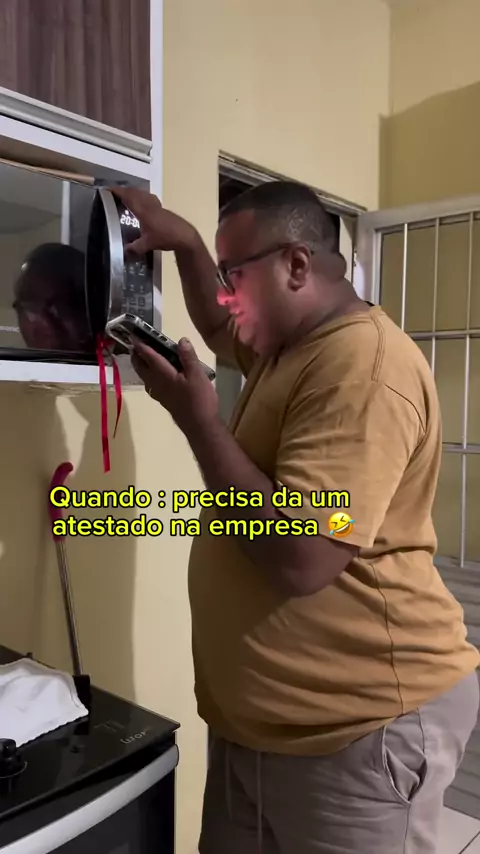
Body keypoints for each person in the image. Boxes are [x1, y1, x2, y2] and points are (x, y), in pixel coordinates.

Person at [112, 181, 480, 854]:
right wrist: (186, 243)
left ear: (298, 265)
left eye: (235, 275)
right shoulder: (290, 343)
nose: (225, 294)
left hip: (357, 731)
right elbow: (220, 328)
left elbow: (302, 556)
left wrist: (199, 423)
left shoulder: (361, 369)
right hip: (264, 726)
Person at [13, 242, 92, 352]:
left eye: (61, 307)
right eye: (33, 306)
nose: (45, 321)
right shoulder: (10, 361)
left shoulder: (109, 360)